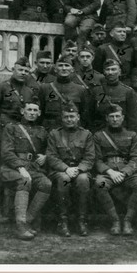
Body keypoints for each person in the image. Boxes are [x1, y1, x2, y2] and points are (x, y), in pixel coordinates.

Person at [0, 57, 40, 223]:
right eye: (20, 69)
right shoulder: (0, 87)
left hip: (20, 135)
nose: (23, 73)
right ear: (13, 69)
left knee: (16, 170)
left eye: (26, 71)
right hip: (0, 135)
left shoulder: (29, 91)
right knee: (0, 172)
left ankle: (13, 209)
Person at [0, 98, 52, 240]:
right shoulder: (11, 128)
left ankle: (27, 220)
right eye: (29, 110)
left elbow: (50, 149)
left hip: (33, 168)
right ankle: (21, 225)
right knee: (24, 181)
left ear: (39, 113)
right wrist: (20, 167)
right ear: (23, 111)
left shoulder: (42, 131)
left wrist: (45, 156)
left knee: (46, 184)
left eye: (35, 110)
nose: (32, 113)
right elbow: (6, 152)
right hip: (12, 168)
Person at [93, 104, 137, 236]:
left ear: (122, 118)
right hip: (107, 174)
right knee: (100, 184)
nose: (115, 119)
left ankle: (128, 220)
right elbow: (96, 160)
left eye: (117, 116)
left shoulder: (132, 135)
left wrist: (125, 172)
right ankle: (115, 220)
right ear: (106, 118)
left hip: (127, 173)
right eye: (112, 117)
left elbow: (136, 158)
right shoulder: (99, 136)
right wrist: (109, 172)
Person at [45, 102, 95, 237]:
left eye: (72, 116)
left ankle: (82, 220)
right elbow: (51, 156)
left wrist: (79, 169)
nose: (69, 119)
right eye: (66, 117)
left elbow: (90, 157)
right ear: (62, 118)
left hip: (80, 170)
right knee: (64, 179)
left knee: (83, 180)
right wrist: (66, 168)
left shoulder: (86, 134)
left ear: (78, 117)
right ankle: (63, 221)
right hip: (60, 170)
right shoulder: (54, 134)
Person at [37, 55, 89, 130]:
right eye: (60, 66)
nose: (64, 68)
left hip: (72, 130)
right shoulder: (45, 88)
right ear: (55, 69)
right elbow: (40, 113)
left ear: (72, 69)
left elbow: (84, 114)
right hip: (50, 130)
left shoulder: (80, 89)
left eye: (67, 65)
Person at [87, 59, 137, 132]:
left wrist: (130, 135)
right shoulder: (96, 90)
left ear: (119, 72)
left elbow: (132, 118)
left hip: (121, 131)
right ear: (104, 72)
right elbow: (90, 115)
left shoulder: (128, 91)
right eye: (108, 69)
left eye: (113, 69)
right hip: (101, 132)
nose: (110, 72)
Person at [93, 21, 135, 85]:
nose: (122, 34)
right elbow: (97, 70)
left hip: (127, 83)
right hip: (108, 83)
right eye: (119, 31)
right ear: (112, 34)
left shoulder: (130, 49)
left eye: (124, 32)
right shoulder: (103, 49)